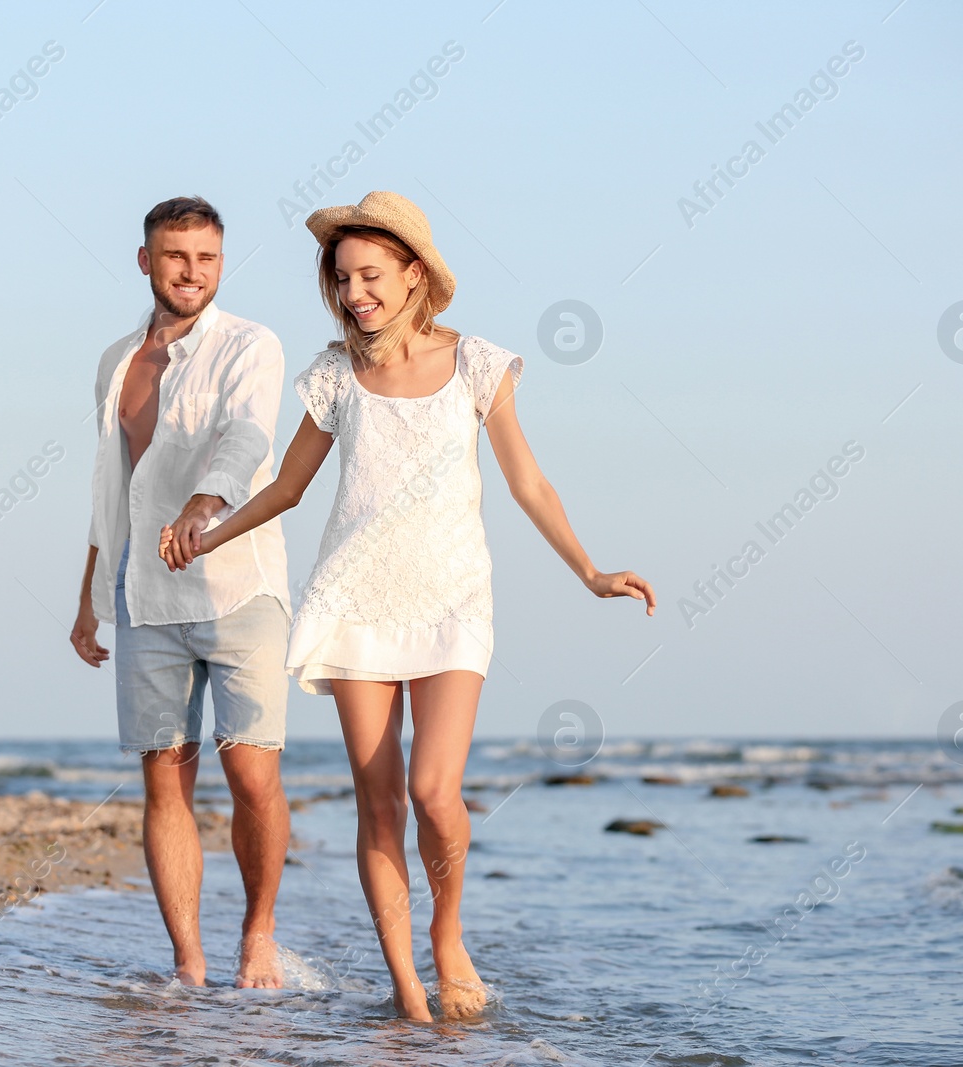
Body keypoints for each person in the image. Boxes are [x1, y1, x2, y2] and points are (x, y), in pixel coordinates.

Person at [158, 190, 655, 1020]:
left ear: (415, 274)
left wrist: (591, 572)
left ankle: (447, 929)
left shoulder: (476, 366)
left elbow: (528, 483)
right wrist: (208, 532)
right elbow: (286, 487)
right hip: (355, 601)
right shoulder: (335, 374)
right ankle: (409, 994)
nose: (357, 294)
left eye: (372, 276)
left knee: (434, 790)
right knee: (378, 800)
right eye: (344, 278)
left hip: (454, 597)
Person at [70, 196, 293, 989]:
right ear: (146, 262)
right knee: (164, 776)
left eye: (206, 258)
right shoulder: (115, 363)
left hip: (240, 591)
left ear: (222, 262)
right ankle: (190, 965)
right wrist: (91, 593)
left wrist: (207, 502)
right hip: (144, 598)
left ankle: (258, 934)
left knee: (252, 774)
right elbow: (112, 487)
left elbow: (249, 433)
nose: (192, 272)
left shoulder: (250, 345)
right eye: (175, 257)